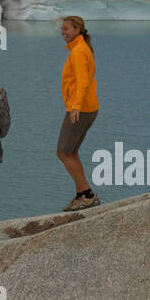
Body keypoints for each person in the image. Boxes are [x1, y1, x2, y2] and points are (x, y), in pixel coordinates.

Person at [58, 16, 101, 210]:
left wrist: (75, 106)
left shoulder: (78, 51)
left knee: (63, 152)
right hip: (87, 107)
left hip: (80, 109)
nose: (63, 32)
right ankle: (81, 194)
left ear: (77, 29)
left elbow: (82, 82)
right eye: (62, 29)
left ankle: (87, 194)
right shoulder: (81, 47)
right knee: (71, 152)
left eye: (66, 29)